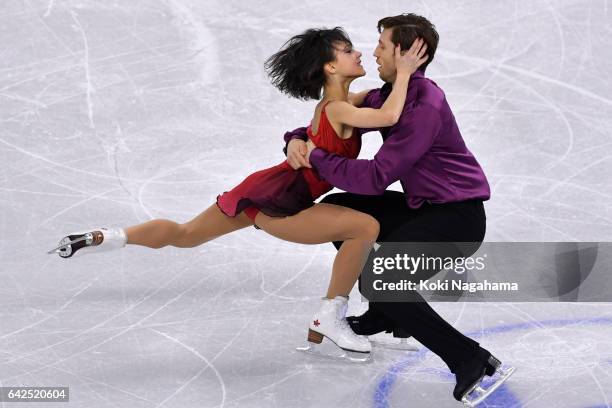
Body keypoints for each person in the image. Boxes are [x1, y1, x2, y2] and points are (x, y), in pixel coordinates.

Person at [48, 28, 428, 358]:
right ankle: (329, 316)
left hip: (263, 187)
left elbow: (370, 105)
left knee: (185, 235)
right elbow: (389, 116)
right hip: (281, 203)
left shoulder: (337, 105)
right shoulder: (340, 110)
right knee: (363, 227)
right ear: (330, 66)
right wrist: (407, 72)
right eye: (347, 51)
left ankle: (109, 236)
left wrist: (296, 138)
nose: (359, 52)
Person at [284, 14, 514, 405]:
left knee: (383, 279)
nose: (373, 52)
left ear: (406, 54)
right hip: (422, 207)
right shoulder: (392, 94)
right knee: (341, 211)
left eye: (383, 45)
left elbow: (377, 176)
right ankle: (385, 315)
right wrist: (296, 138)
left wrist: (319, 159)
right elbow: (335, 113)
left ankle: (469, 359)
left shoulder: (423, 105)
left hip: (457, 219)